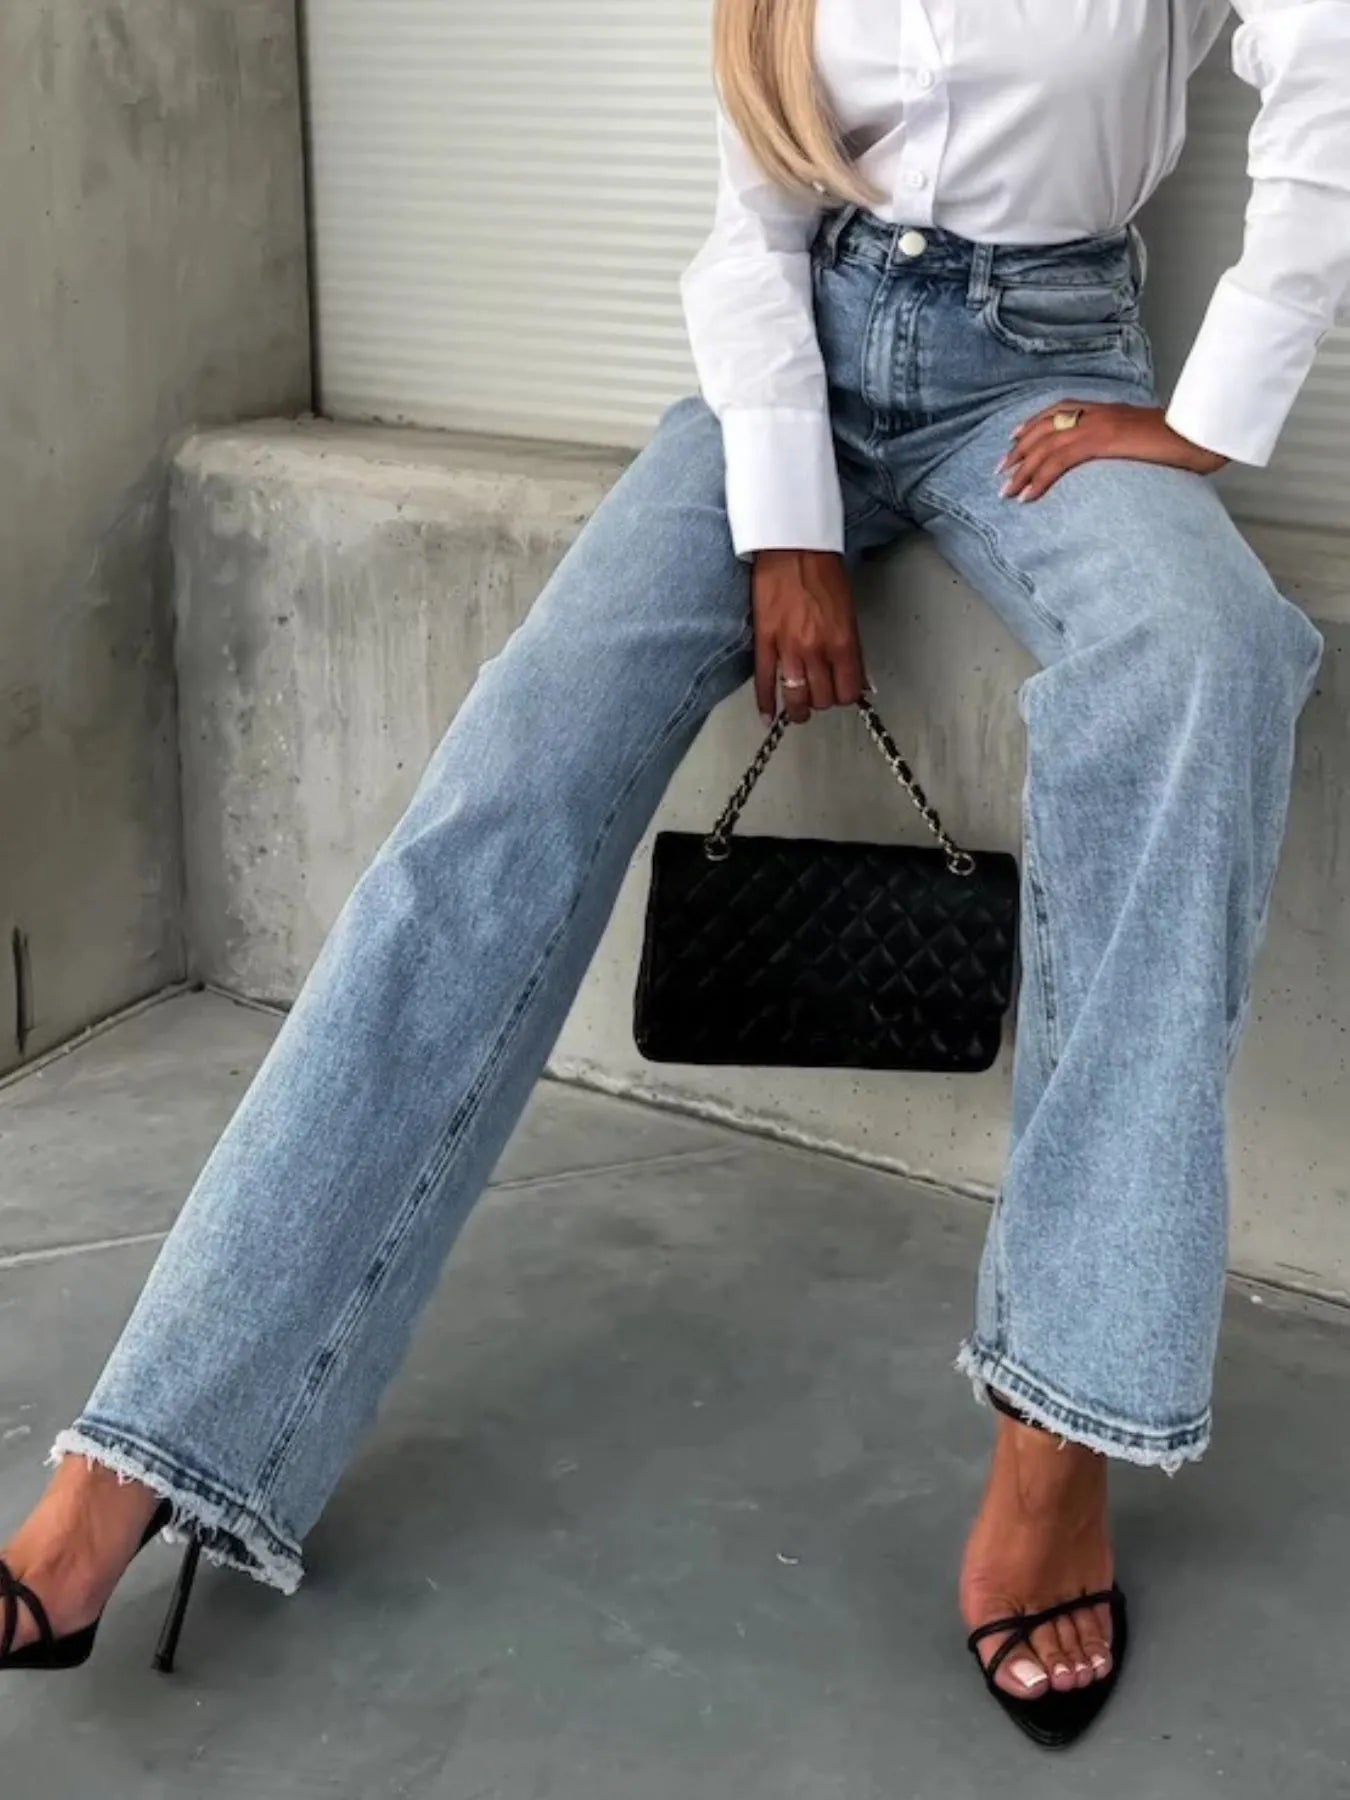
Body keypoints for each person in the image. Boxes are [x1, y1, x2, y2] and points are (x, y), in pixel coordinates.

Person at [3, 0, 1346, 1749]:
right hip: (784, 361)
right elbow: (752, 224)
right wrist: (788, 518)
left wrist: (1219, 406)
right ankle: (156, 1446)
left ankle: (1059, 1437)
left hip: (1050, 374)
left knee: (1209, 662)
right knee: (505, 781)